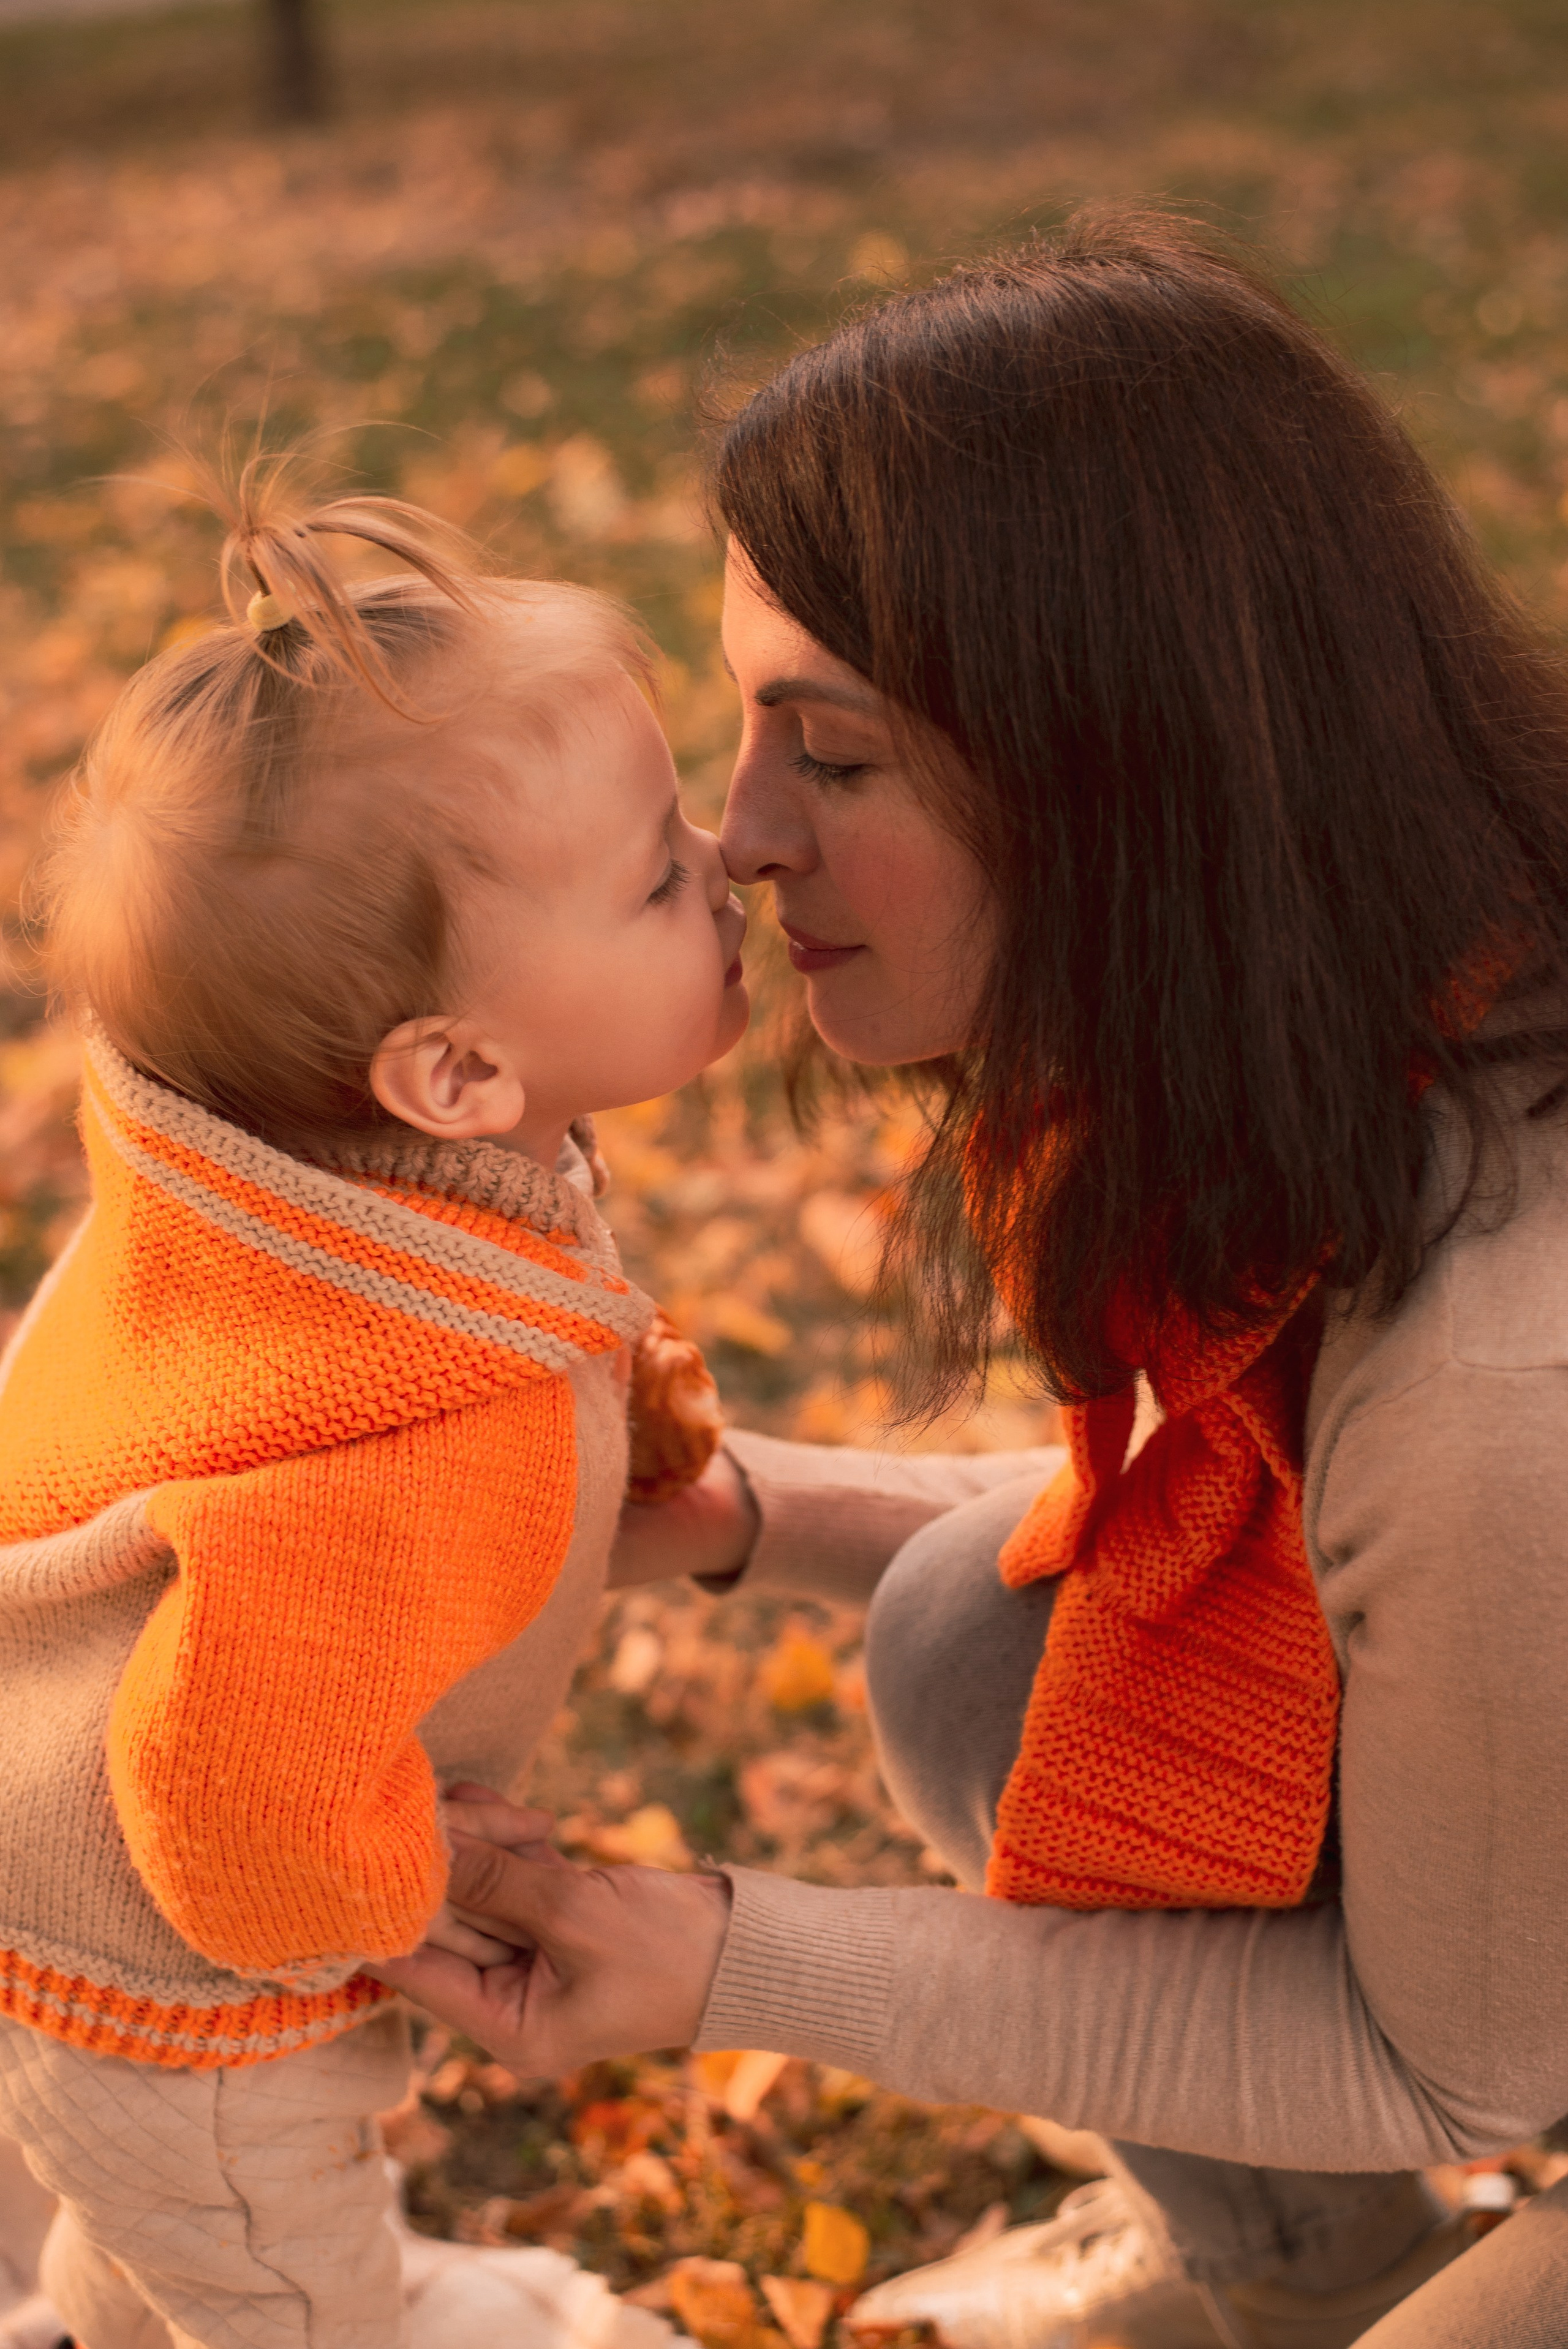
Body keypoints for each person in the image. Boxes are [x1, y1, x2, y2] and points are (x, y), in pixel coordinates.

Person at [376, 213, 1568, 2348]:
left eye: (830, 756)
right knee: (975, 1632)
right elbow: (1267, 1543)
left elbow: (1458, 2058)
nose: (739, 835)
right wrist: (740, 1520)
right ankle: (1314, 2274)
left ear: (1127, 779)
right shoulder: (1351, 1039)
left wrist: (730, 1952)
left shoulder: (1508, 1369)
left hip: (1500, 2023)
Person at [0, 469, 752, 2349]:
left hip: (95, 1923)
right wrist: (437, 1886)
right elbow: (235, 1800)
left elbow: (542, 1274)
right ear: (455, 1070)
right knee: (279, 2283)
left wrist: (635, 1415)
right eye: (662, 873)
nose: (730, 859)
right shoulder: (425, 1427)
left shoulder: (298, 1190)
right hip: (193, 1990)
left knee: (174, 2247)